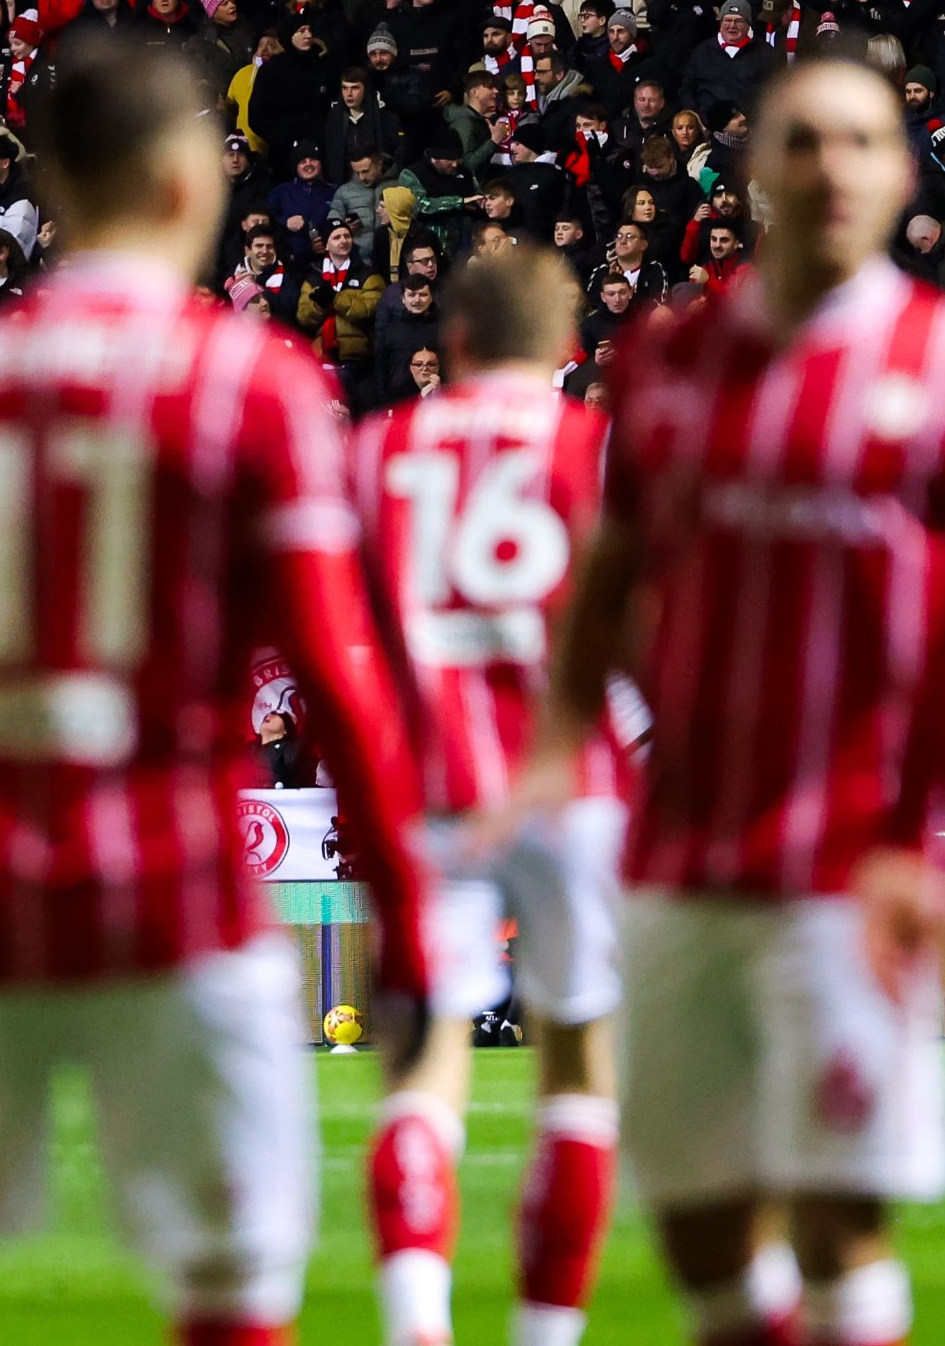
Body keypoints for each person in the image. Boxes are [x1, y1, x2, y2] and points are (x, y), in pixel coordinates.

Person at [0, 33, 440, 1346]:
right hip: (178, 887)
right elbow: (338, 678)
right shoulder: (254, 384)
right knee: (230, 1297)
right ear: (180, 178)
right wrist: (409, 924)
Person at [529, 53, 945, 1346]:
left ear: (901, 171)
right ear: (760, 170)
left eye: (863, 140)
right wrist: (558, 740)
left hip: (854, 866)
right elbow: (611, 567)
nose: (833, 166)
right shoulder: (671, 360)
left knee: (840, 1218)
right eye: (805, 141)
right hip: (680, 856)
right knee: (701, 1222)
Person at [349, 245, 622, 1346]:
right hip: (571, 787)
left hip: (426, 785)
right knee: (578, 1068)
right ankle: (543, 1335)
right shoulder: (599, 450)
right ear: (565, 348)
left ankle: (418, 1320)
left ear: (448, 345)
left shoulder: (376, 451)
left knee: (421, 1063)